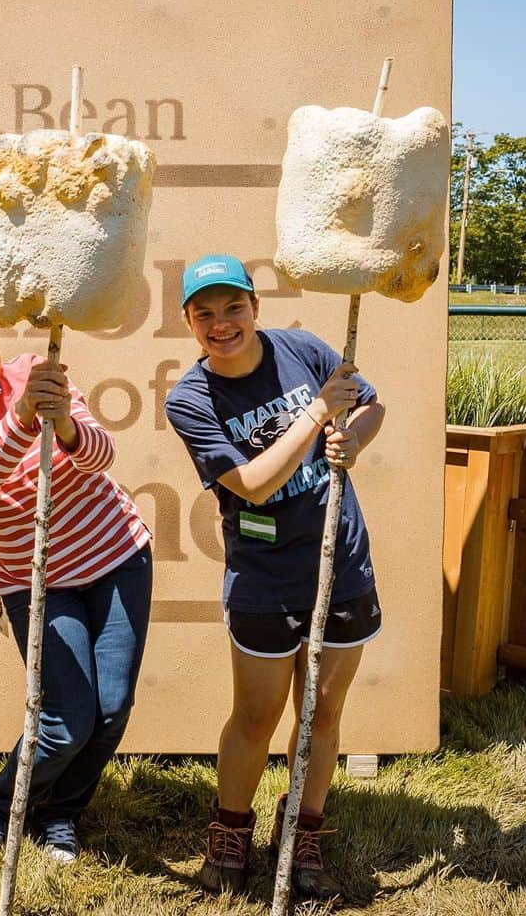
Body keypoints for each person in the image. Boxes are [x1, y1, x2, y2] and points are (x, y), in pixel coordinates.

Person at [0, 294, 153, 865]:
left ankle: (61, 812)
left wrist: (60, 419)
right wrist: (21, 420)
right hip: (34, 578)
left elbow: (100, 456)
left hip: (116, 555)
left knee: (111, 711)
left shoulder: (32, 372)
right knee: (66, 720)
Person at [164, 255, 385, 900]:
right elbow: (255, 485)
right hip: (263, 578)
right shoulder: (192, 399)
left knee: (320, 713)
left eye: (233, 307)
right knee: (256, 716)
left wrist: (356, 438)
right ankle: (231, 827)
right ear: (189, 322)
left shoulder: (304, 349)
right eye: (204, 313)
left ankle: (304, 826)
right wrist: (318, 415)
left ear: (254, 307)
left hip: (339, 563)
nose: (221, 323)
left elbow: (369, 406)